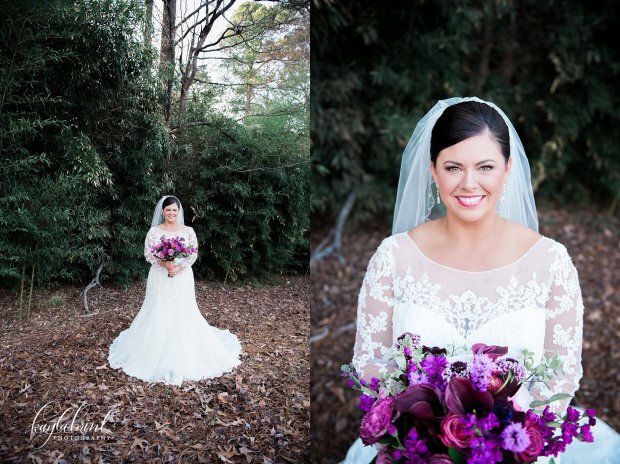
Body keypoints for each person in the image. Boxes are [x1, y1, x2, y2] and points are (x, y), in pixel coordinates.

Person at [343, 98, 619, 463]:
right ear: (433, 170)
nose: (468, 183)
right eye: (453, 167)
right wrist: (423, 440)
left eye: (485, 166)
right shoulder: (393, 258)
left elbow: (561, 376)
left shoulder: (551, 262)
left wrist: (505, 447)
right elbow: (373, 366)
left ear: (507, 170)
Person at [108, 195, 242, 386]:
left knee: (182, 309)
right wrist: (163, 262)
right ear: (162, 211)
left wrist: (178, 267)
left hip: (182, 277)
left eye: (174, 210)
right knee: (158, 307)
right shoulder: (154, 231)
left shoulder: (188, 231)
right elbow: (148, 253)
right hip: (159, 276)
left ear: (179, 212)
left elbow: (193, 254)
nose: (171, 213)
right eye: (168, 210)